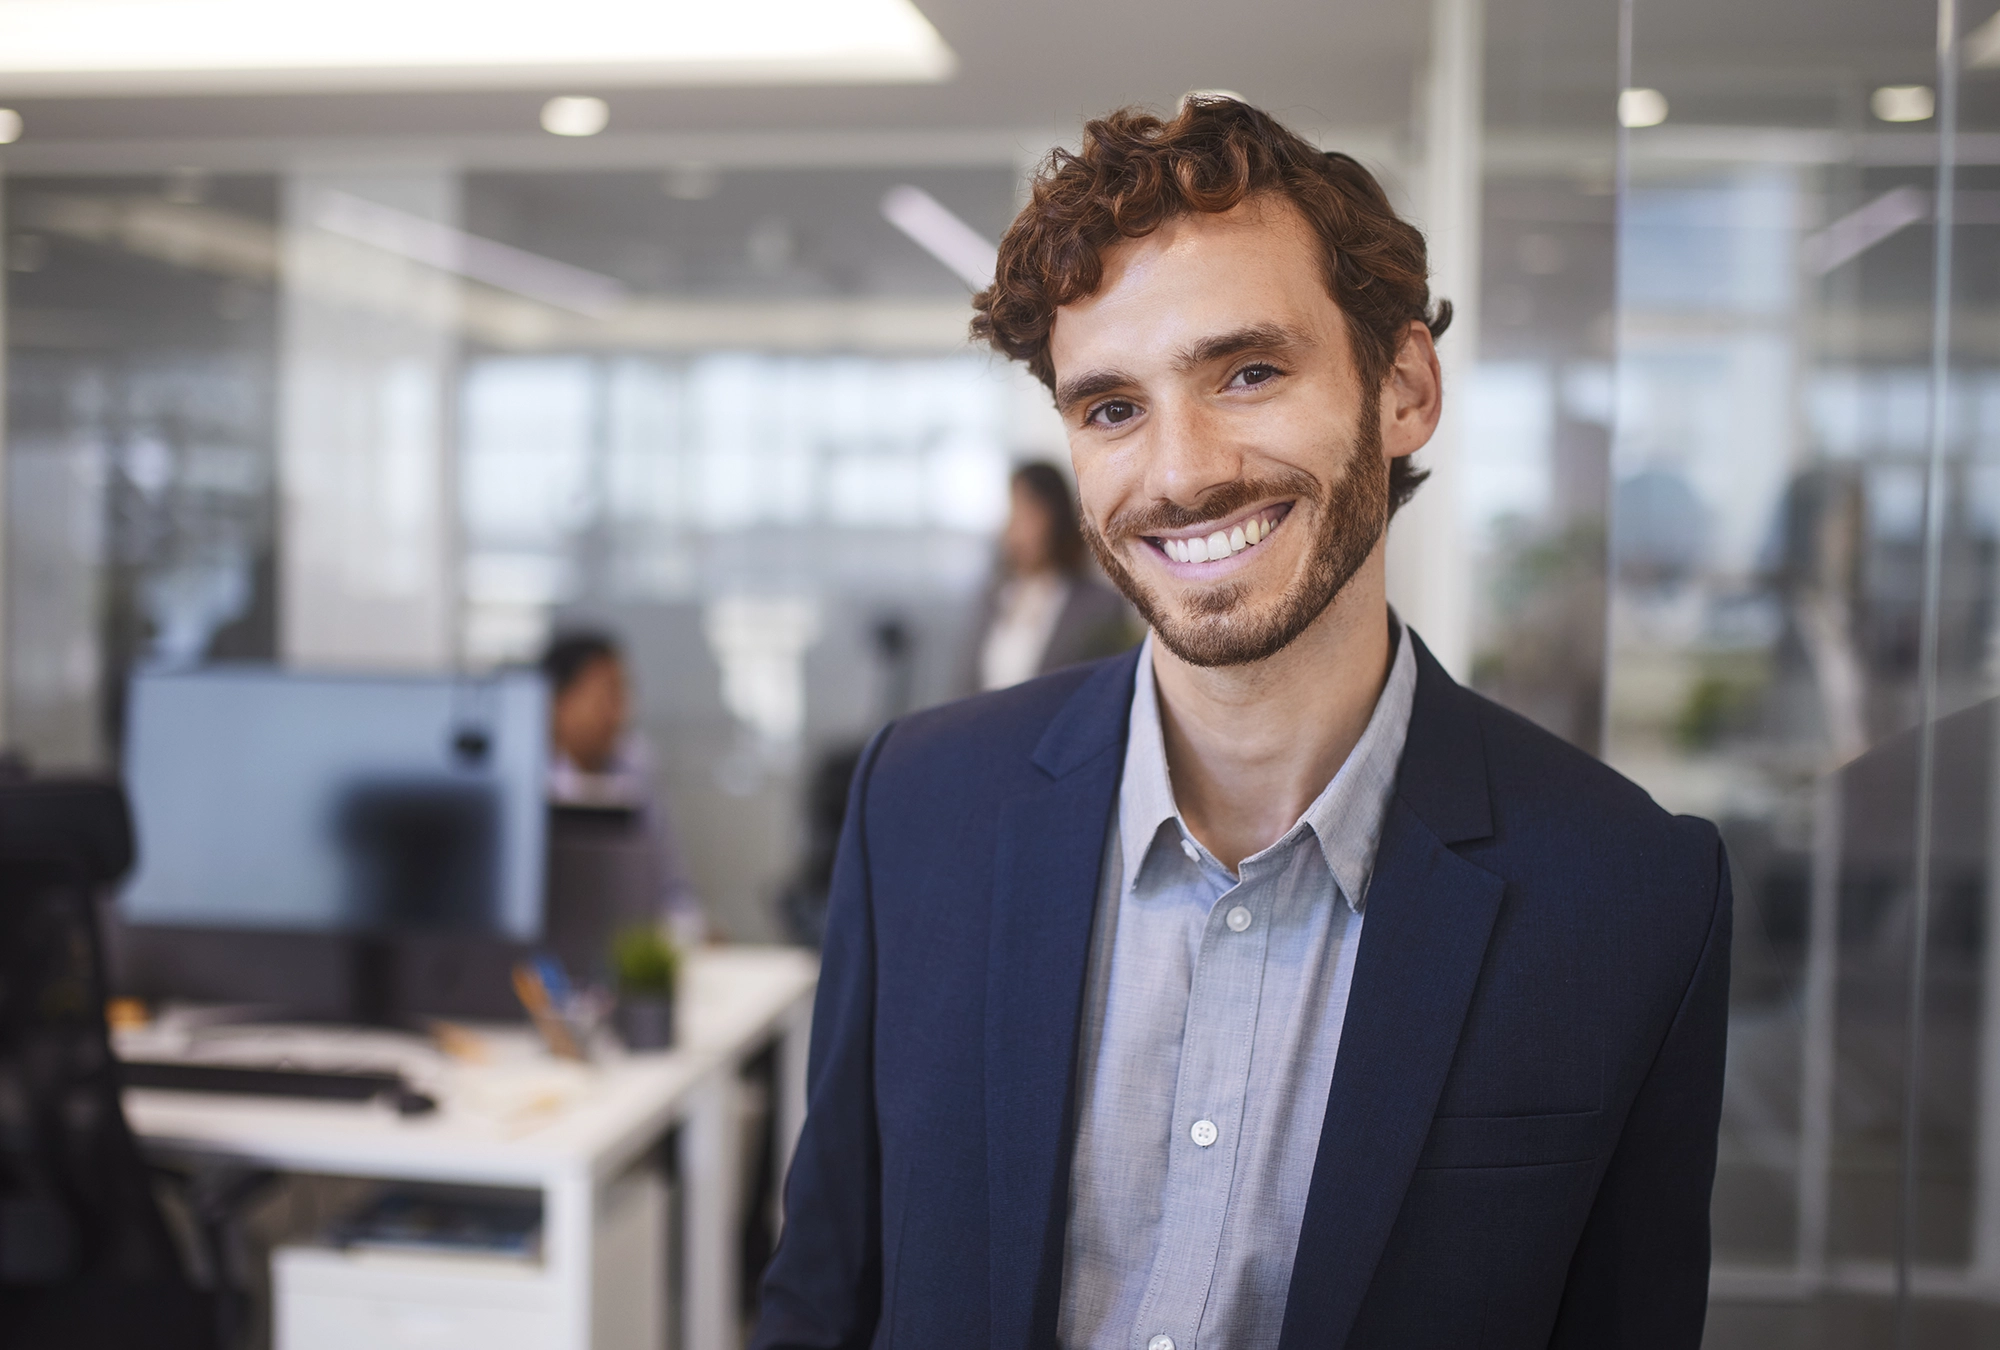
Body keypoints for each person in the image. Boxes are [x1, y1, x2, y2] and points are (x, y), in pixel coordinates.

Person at [752, 99, 1729, 1350]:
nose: (1180, 473)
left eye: (1248, 373)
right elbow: (821, 1300)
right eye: (1111, 408)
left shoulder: (1627, 895)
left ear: (1403, 389)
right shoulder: (920, 808)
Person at [540, 631, 707, 955]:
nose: (618, 713)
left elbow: (671, 881)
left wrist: (692, 932)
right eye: (605, 696)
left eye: (622, 695)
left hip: (634, 951)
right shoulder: (522, 777)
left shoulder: (636, 765)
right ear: (557, 702)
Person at [971, 460, 1138, 691]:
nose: (1015, 527)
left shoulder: (1099, 606)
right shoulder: (993, 597)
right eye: (1013, 512)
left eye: (1028, 514)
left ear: (1055, 518)